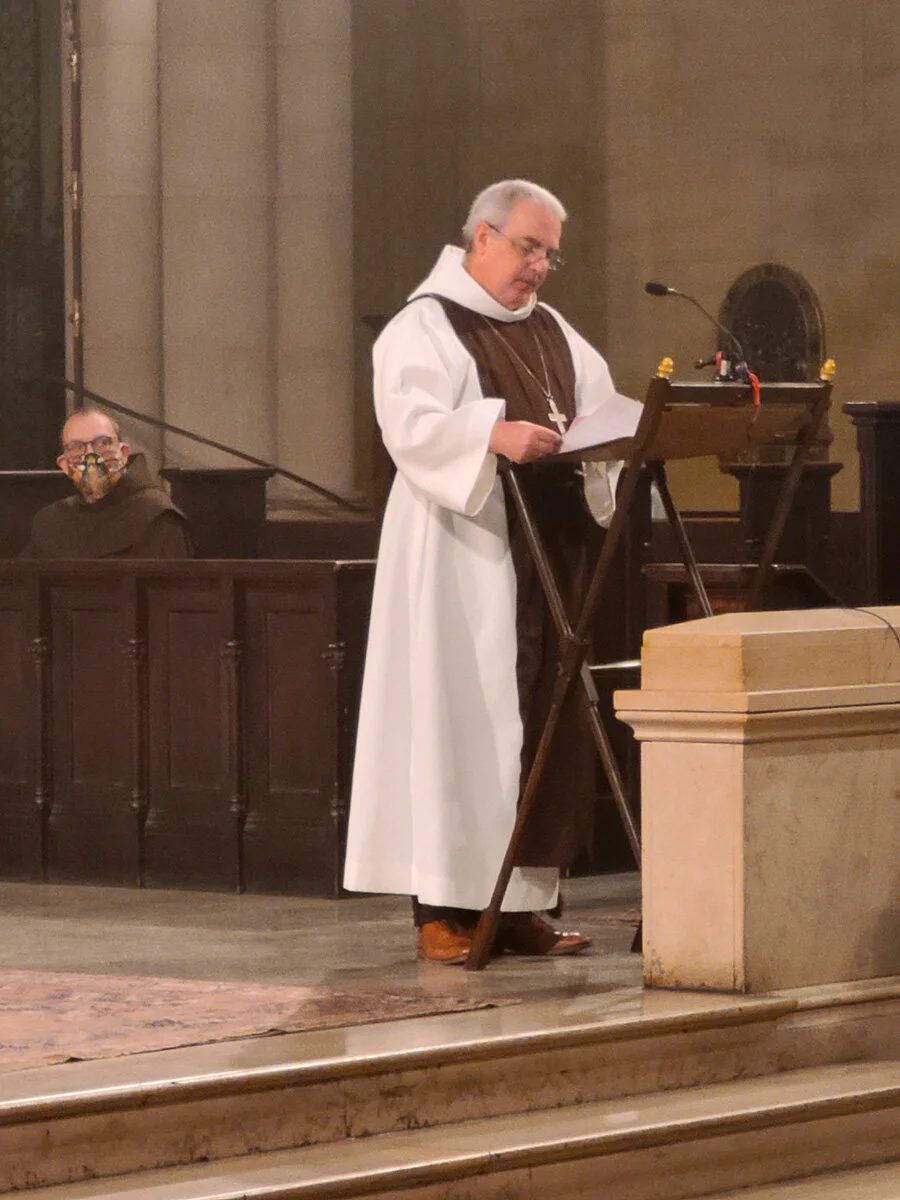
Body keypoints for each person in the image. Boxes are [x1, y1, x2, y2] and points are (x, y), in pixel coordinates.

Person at [343, 179, 639, 964]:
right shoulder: (424, 326)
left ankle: (518, 908)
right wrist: (490, 433)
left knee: (540, 726)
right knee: (461, 726)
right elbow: (409, 425)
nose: (540, 267)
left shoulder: (556, 331)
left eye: (550, 254)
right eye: (528, 247)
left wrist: (605, 443)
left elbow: (600, 409)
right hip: (464, 554)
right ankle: (443, 909)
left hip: (547, 551)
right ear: (481, 237)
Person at [21, 407, 192, 559]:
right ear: (65, 465)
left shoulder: (157, 515)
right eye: (77, 447)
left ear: (124, 453)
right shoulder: (50, 523)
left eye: (102, 443)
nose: (91, 455)